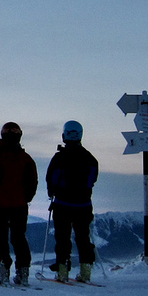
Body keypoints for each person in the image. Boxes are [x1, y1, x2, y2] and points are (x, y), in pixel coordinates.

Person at [0, 122, 38, 286]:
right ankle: (23, 272)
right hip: (20, 205)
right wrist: (26, 198)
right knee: (19, 238)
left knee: (1, 237)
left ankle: (3, 271)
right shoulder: (26, 159)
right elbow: (32, 182)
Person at [45, 120, 99, 282]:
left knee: (62, 238)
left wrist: (52, 192)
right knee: (83, 237)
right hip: (83, 205)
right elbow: (92, 179)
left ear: (64, 135)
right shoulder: (90, 158)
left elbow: (51, 179)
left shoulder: (59, 157)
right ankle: (85, 270)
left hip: (62, 204)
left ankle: (62, 270)